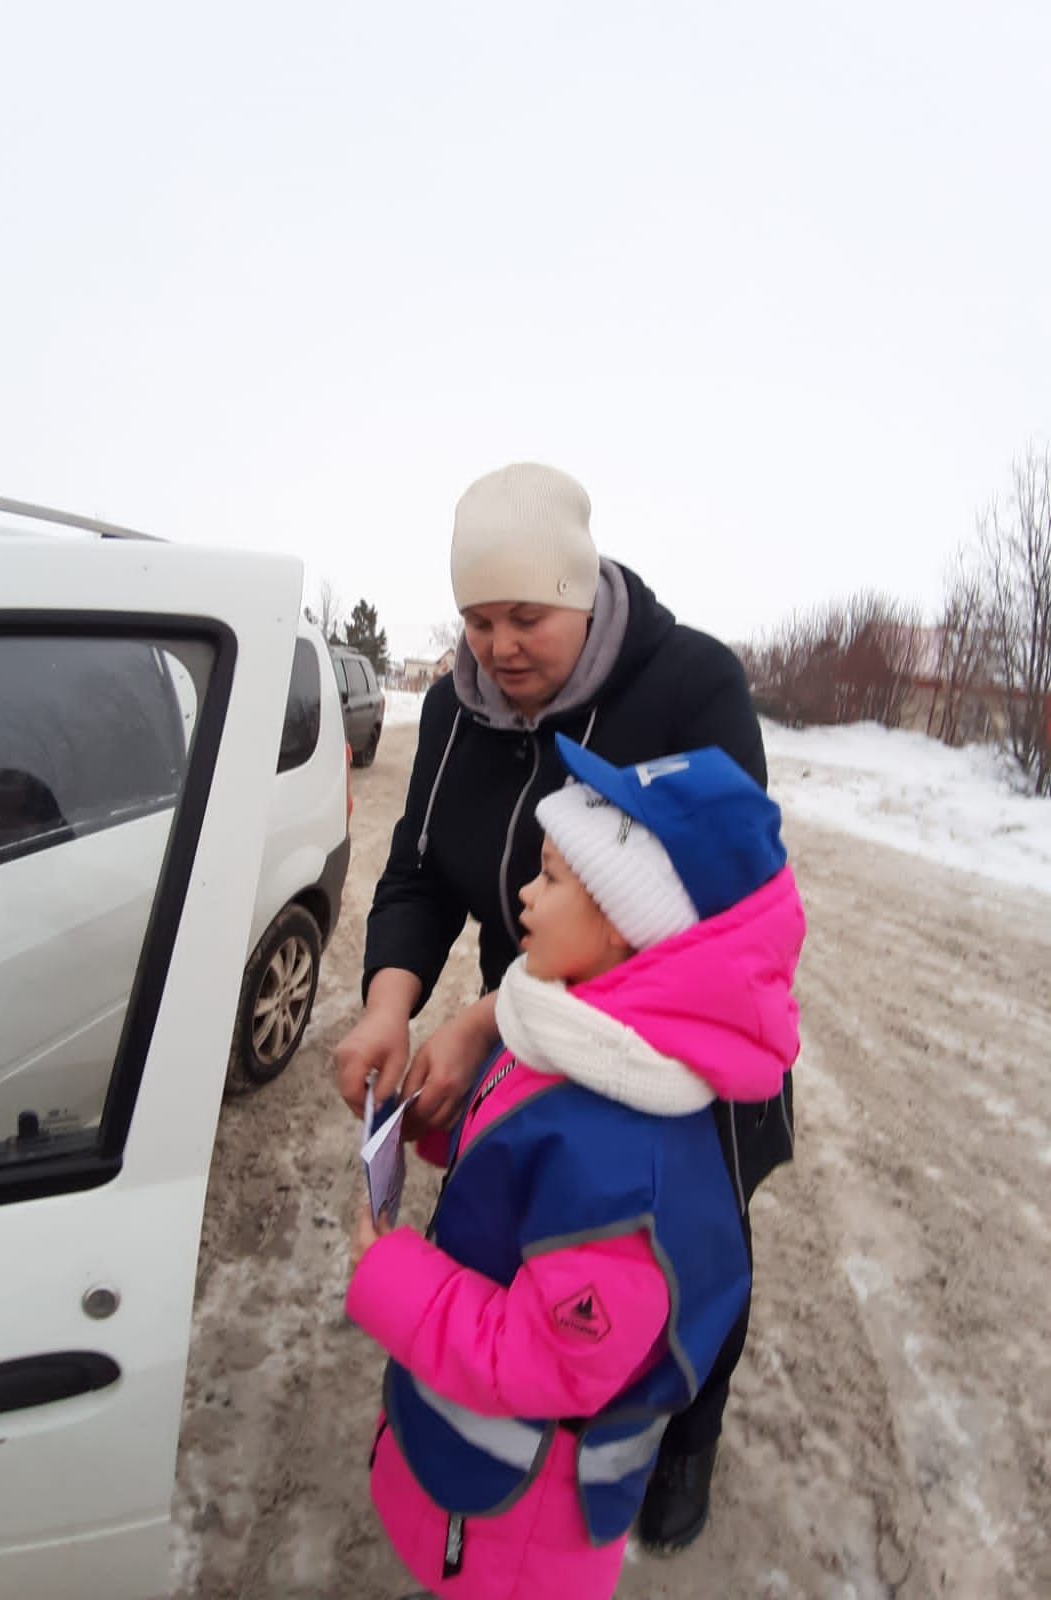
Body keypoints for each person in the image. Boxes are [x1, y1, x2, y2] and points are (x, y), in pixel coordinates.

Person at [336, 462, 793, 1548]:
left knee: (683, 1257)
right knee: (534, 1238)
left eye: (524, 615)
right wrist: (393, 1006)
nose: (497, 646)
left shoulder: (688, 686)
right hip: (539, 1025)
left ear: (583, 593)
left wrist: (485, 1015)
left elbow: (714, 912)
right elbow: (415, 872)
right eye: (476, 618)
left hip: (673, 1047)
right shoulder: (455, 705)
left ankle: (686, 1434)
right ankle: (515, 1437)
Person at [346, 737, 805, 1600]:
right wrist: (449, 1127)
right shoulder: (582, 1038)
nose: (523, 890)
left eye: (552, 878)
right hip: (469, 1486)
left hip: (514, 1530)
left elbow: (549, 1361)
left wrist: (389, 1274)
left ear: (629, 926)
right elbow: (535, 1143)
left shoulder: (630, 1163)